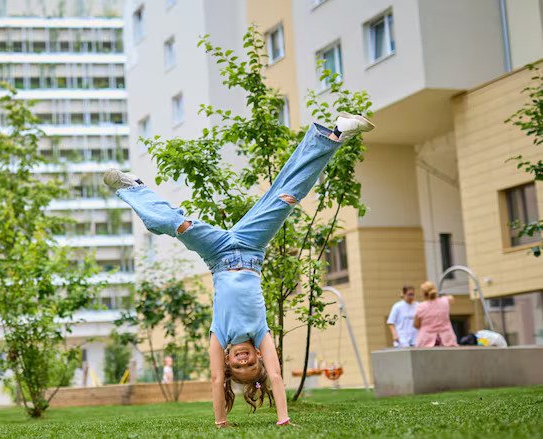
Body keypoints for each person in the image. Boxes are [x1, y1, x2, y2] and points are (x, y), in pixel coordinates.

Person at [103, 114, 375, 428]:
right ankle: (336, 133)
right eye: (250, 364)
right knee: (287, 197)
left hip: (217, 253)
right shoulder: (261, 333)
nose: (243, 360)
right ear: (258, 357)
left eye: (238, 364)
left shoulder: (219, 335)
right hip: (250, 247)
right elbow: (275, 375)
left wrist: (221, 422)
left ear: (230, 360)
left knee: (172, 224)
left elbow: (216, 379)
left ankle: (133, 188)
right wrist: (283, 419)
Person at [414, 281, 457, 347]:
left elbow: (416, 325)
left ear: (423, 293)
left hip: (426, 340)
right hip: (446, 339)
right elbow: (451, 298)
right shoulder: (445, 301)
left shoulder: (421, 307)